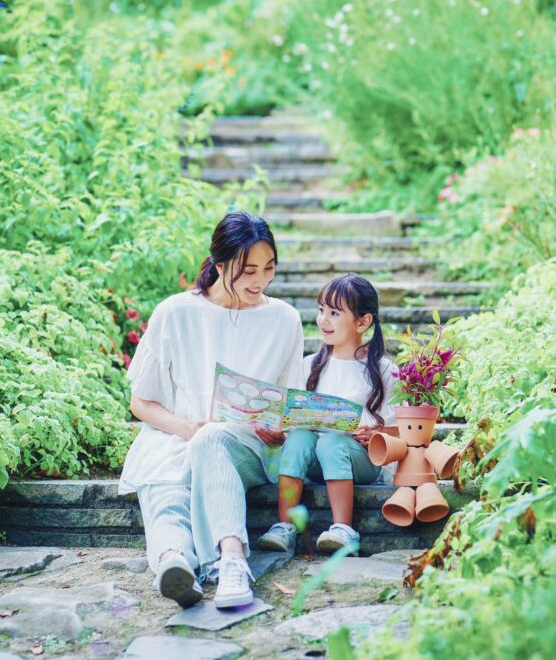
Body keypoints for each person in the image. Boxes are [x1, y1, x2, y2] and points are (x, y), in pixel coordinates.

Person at [119, 211, 303, 609]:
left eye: (269, 268)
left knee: (213, 439)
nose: (260, 281)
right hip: (178, 434)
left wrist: (279, 427)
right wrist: (188, 428)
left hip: (249, 449)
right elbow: (141, 402)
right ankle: (174, 561)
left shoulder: (284, 319)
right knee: (166, 487)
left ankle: (232, 560)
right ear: (220, 266)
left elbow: (291, 402)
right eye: (248, 270)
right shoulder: (174, 312)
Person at [256, 274, 398, 554]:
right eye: (321, 310)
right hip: (315, 462)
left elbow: (401, 431)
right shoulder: (309, 366)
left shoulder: (383, 370)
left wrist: (376, 434)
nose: (324, 319)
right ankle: (284, 526)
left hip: (361, 460)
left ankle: (343, 529)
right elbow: (291, 418)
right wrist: (278, 432)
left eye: (334, 313)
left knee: (332, 442)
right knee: (299, 436)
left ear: (363, 321)